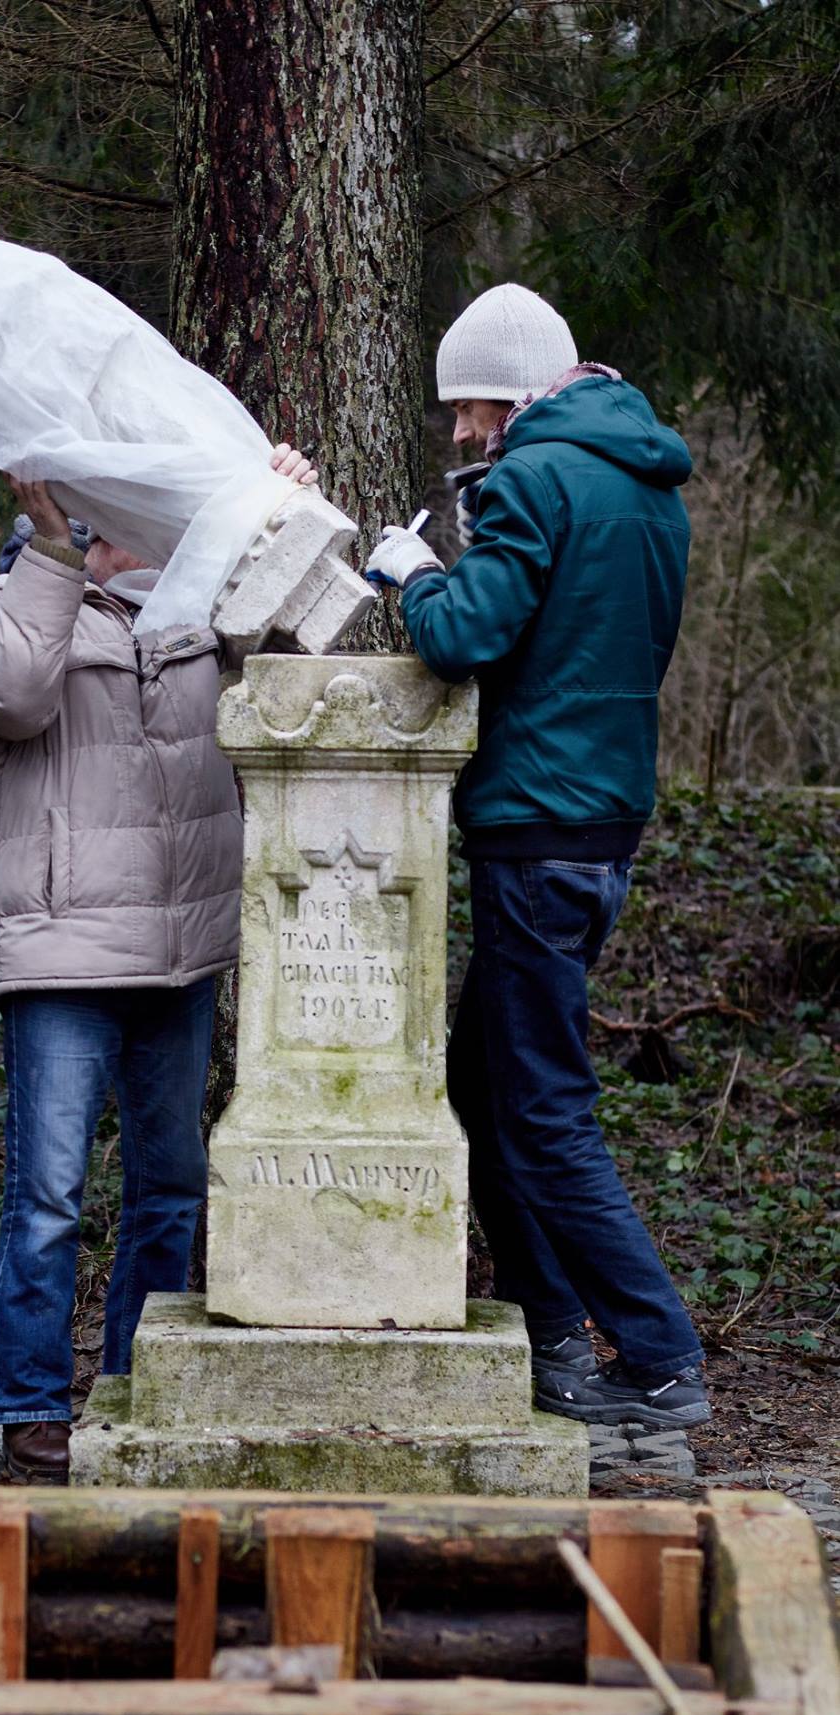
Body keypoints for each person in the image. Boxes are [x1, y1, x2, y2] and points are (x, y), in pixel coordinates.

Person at [367, 282, 709, 1431]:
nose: (462, 430)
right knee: (485, 1084)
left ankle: (657, 1357)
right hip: (599, 825)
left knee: (545, 1110)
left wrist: (413, 572)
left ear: (517, 396)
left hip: (536, 829)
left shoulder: (532, 479)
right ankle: (550, 1329)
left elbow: (462, 636)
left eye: (471, 407)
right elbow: (574, 640)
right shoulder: (646, 486)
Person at [0, 445, 316, 1483]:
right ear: (90, 524)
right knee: (48, 1193)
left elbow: (292, 652)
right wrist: (51, 555)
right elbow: (7, 696)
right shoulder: (6, 605)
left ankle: (135, 1384)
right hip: (63, 954)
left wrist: (274, 510)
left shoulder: (195, 618)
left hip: (178, 954)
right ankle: (28, 1405)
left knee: (170, 1186)